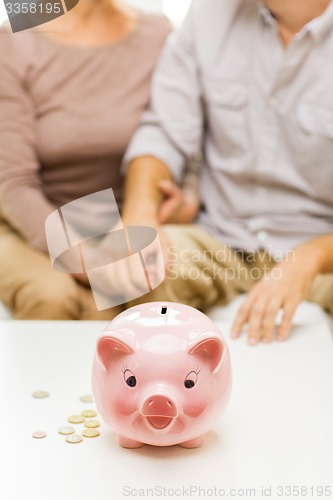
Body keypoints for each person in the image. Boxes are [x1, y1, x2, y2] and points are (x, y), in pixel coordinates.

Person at [121, 0, 333, 344]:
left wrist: (311, 258)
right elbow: (163, 131)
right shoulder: (208, 13)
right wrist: (140, 213)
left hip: (320, 253)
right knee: (131, 269)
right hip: (220, 240)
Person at [0, 0, 180, 319]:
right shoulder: (12, 42)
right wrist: (84, 255)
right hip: (27, 225)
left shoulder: (158, 34)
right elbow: (12, 183)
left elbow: (181, 131)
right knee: (52, 297)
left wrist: (184, 198)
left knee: (126, 297)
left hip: (121, 223)